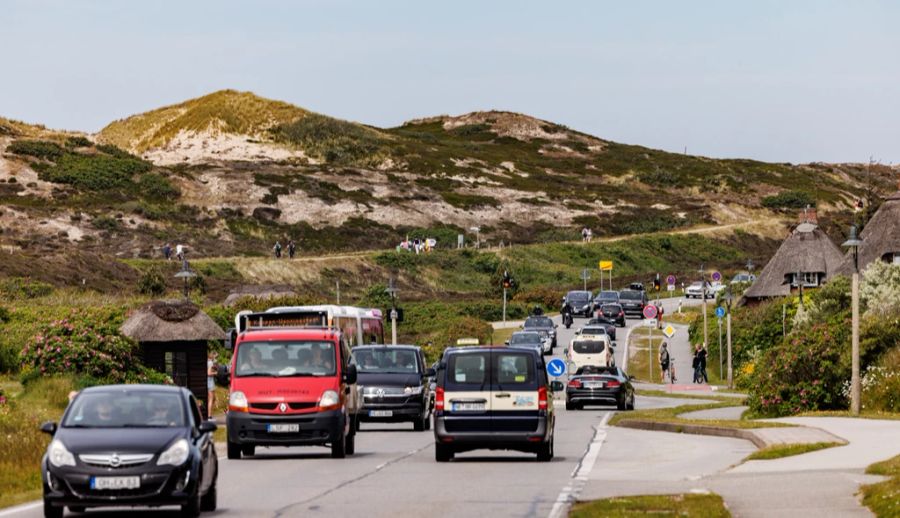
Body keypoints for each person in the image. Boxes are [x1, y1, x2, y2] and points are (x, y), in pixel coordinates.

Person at [207, 351, 218, 418]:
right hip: (210, 382)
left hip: (208, 382)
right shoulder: (210, 363)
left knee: (210, 399)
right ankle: (209, 415)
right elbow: (208, 373)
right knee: (211, 399)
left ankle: (209, 415)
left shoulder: (208, 362)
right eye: (214, 356)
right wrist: (215, 373)